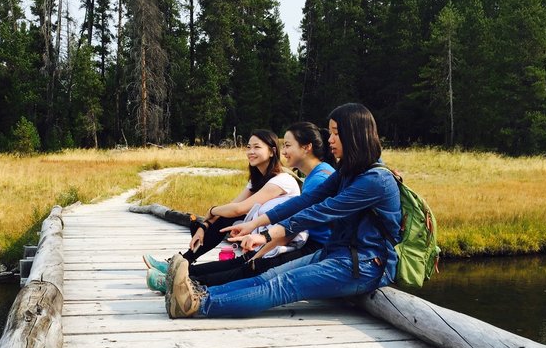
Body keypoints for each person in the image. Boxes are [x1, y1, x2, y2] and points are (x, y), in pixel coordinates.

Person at [165, 103, 401, 319]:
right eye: (331, 132)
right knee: (266, 277)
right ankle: (198, 292)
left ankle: (198, 304)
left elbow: (321, 211)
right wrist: (255, 224)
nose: (330, 140)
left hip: (366, 265)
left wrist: (267, 235)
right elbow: (306, 200)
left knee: (281, 285)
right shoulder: (348, 172)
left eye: (336, 133)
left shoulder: (375, 180)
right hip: (337, 253)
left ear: (355, 134)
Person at [145, 122, 335, 291]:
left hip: (309, 245)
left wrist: (261, 243)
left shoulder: (299, 179)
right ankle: (180, 271)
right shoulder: (311, 177)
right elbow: (235, 207)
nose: (284, 151)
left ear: (306, 147)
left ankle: (183, 281)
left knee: (251, 266)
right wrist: (205, 224)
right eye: (248, 147)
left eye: (287, 145)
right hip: (283, 237)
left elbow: (293, 223)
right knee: (243, 257)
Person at [143, 129, 298, 274]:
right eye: (248, 147)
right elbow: (232, 206)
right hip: (260, 231)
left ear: (272, 151)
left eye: (257, 147)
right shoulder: (257, 179)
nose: (251, 152)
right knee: (224, 217)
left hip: (278, 237)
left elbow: (239, 209)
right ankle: (182, 262)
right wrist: (204, 225)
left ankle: (182, 267)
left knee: (226, 216)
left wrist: (211, 210)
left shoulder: (281, 180)